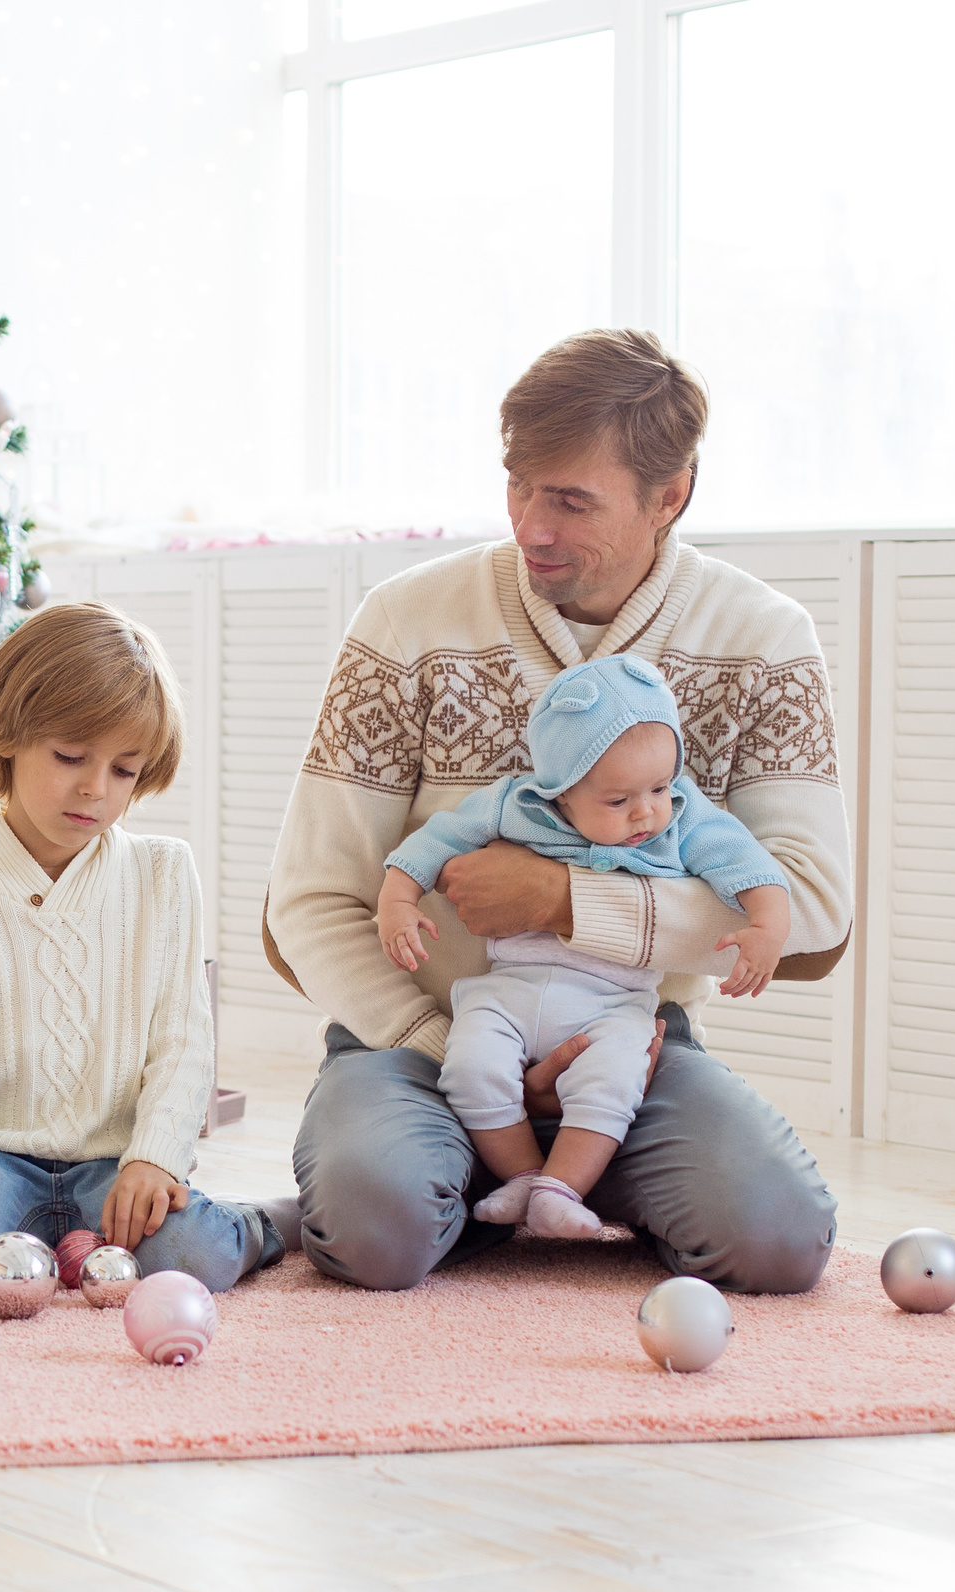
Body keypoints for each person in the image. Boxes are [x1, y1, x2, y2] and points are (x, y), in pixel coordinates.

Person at [266, 328, 849, 1294]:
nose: (532, 525)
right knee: (374, 1229)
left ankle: (536, 1182)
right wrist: (458, 1051)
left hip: (627, 1044)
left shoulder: (764, 640)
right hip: (417, 1039)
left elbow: (814, 907)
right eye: (519, 485)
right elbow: (309, 902)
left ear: (672, 495)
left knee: (777, 1240)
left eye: (572, 500)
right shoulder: (404, 622)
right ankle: (453, 1181)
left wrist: (562, 902)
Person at [0, 601, 294, 1297]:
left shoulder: (162, 872)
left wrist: (156, 1157)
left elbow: (183, 1041)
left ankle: (261, 1225)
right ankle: (56, 1246)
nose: (96, 788)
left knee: (199, 1257)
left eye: (125, 770)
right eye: (70, 756)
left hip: (115, 1162)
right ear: (7, 736)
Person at [378, 653, 789, 1240]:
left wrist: (765, 929)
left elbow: (752, 869)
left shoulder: (683, 819)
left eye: (660, 787)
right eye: (618, 800)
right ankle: (521, 1175)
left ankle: (560, 1189)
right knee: (470, 1066)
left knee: (615, 1079)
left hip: (614, 1002)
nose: (647, 810)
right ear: (561, 793)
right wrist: (397, 902)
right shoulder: (515, 804)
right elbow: (433, 842)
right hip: (506, 991)